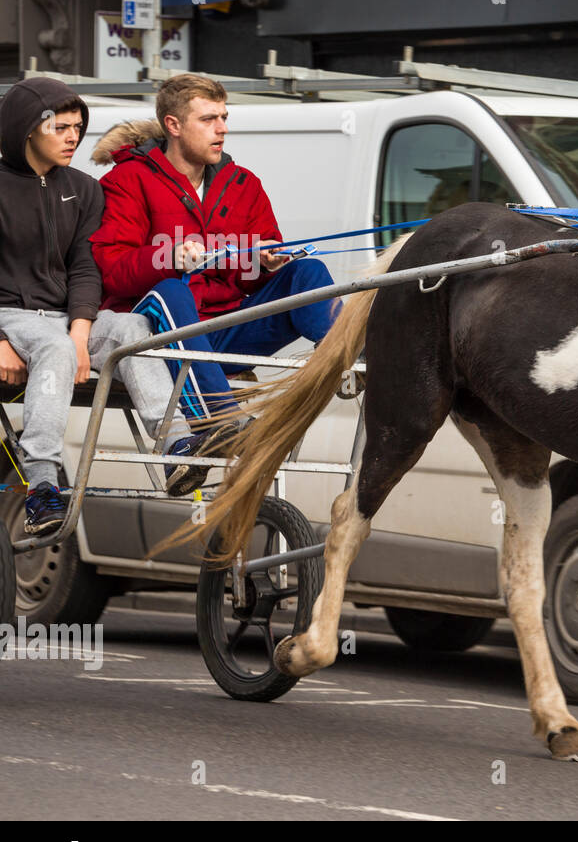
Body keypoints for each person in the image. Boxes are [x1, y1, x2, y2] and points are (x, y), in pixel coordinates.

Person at [90, 73, 340, 496]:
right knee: (172, 290)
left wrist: (267, 260)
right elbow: (110, 269)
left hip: (224, 331)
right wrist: (166, 258)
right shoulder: (127, 181)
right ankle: (221, 421)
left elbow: (254, 272)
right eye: (208, 119)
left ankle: (348, 355)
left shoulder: (244, 184)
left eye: (224, 117)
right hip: (157, 337)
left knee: (307, 272)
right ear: (173, 125)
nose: (222, 128)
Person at [0, 78, 190, 534]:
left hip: (66, 318)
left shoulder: (84, 189)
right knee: (59, 349)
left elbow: (87, 269)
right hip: (10, 318)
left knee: (130, 327)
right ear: (27, 130)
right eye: (60, 127)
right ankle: (42, 486)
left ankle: (177, 450)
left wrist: (81, 331)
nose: (72, 137)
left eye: (78, 127)